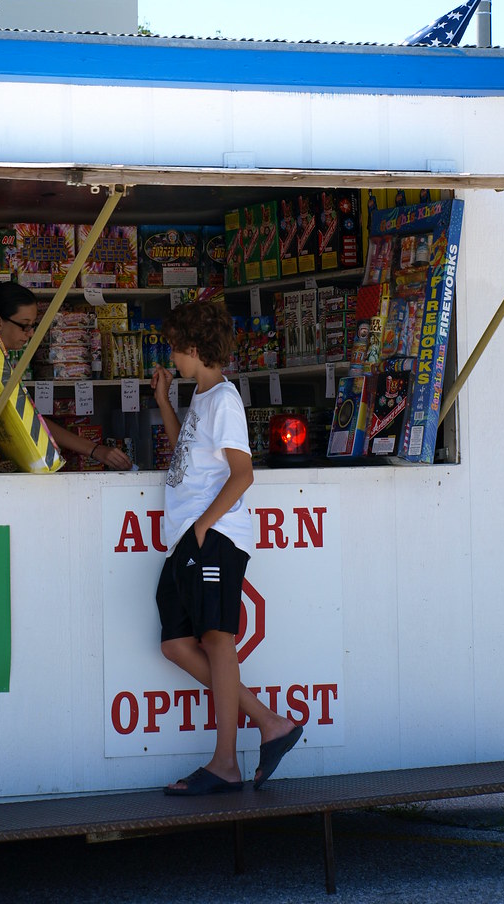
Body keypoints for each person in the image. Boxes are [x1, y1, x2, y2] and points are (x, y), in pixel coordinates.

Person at [150, 299, 303, 796]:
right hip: (188, 539)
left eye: (176, 348)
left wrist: (203, 528)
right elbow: (186, 462)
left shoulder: (224, 401)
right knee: (175, 643)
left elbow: (243, 474)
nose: (172, 356)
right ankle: (271, 724)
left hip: (210, 538)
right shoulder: (202, 398)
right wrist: (165, 403)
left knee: (217, 641)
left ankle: (224, 764)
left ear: (195, 347)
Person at [0, 282, 132, 471]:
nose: (31, 333)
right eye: (25, 326)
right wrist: (95, 450)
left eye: (33, 326)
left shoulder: (1, 360)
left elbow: (30, 417)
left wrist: (94, 450)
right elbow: (28, 419)